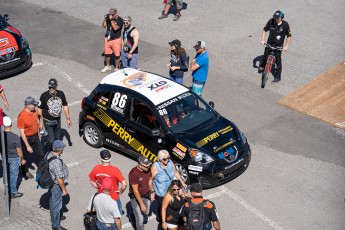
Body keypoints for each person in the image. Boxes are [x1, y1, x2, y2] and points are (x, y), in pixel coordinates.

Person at [151, 149, 187, 223]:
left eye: (168, 158)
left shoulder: (170, 162)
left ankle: (160, 215)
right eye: (165, 159)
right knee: (165, 207)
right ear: (160, 159)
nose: (167, 160)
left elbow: (175, 172)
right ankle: (163, 221)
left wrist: (182, 181)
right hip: (161, 192)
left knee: (167, 205)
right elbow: (150, 180)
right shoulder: (155, 167)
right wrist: (152, 191)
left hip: (170, 189)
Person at [89, 150, 127, 215]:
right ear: (110, 158)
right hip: (113, 196)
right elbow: (124, 184)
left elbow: (92, 182)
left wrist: (98, 187)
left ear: (101, 158)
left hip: (101, 194)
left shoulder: (96, 168)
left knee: (104, 211)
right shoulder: (114, 170)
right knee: (117, 213)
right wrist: (120, 192)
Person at [38, 78, 72, 150]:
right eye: (50, 87)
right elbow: (39, 109)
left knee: (57, 138)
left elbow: (65, 106)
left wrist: (68, 119)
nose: (51, 88)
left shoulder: (61, 94)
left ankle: (55, 151)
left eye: (53, 87)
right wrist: (40, 122)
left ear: (56, 86)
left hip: (57, 120)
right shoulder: (44, 95)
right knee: (51, 139)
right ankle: (47, 151)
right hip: (48, 122)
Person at [259, 10, 291, 83]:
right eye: (275, 17)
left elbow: (289, 36)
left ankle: (278, 77)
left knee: (278, 62)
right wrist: (262, 40)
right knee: (265, 56)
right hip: (269, 44)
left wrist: (286, 46)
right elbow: (264, 30)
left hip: (278, 46)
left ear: (281, 17)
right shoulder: (271, 21)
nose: (276, 19)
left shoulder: (285, 25)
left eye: (277, 18)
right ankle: (263, 65)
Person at [17, 96, 43, 180]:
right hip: (26, 139)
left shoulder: (33, 111)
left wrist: (38, 134)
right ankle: (25, 172)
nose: (35, 106)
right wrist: (27, 146)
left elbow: (36, 122)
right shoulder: (22, 116)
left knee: (40, 154)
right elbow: (22, 132)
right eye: (33, 104)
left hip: (35, 136)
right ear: (27, 105)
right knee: (24, 158)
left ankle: (42, 171)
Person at [128, 156, 155, 230]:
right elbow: (135, 191)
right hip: (136, 197)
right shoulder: (133, 173)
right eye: (146, 165)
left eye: (149, 165)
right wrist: (141, 204)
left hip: (146, 195)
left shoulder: (148, 170)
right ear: (140, 165)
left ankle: (137, 214)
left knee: (146, 211)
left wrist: (152, 191)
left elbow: (150, 181)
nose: (148, 167)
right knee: (139, 218)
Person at [47, 140, 69, 230]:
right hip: (56, 185)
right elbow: (59, 178)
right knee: (56, 204)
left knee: (55, 202)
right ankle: (56, 225)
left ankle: (57, 217)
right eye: (62, 148)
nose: (63, 150)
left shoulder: (49, 154)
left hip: (52, 182)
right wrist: (64, 189)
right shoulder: (56, 162)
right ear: (60, 150)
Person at [3, 116, 25, 199]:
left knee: (6, 173)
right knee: (13, 175)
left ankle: (7, 189)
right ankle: (13, 192)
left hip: (5, 157)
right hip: (13, 158)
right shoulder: (15, 137)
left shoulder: (1, 136)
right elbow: (19, 151)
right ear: (11, 124)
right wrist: (22, 159)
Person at [101, 8, 124, 73]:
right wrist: (106, 19)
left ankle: (116, 68)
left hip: (116, 40)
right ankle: (108, 66)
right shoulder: (108, 18)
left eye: (112, 14)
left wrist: (111, 20)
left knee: (117, 55)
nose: (111, 16)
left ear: (116, 14)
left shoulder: (120, 20)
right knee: (107, 54)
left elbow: (115, 28)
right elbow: (103, 26)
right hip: (108, 39)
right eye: (110, 14)